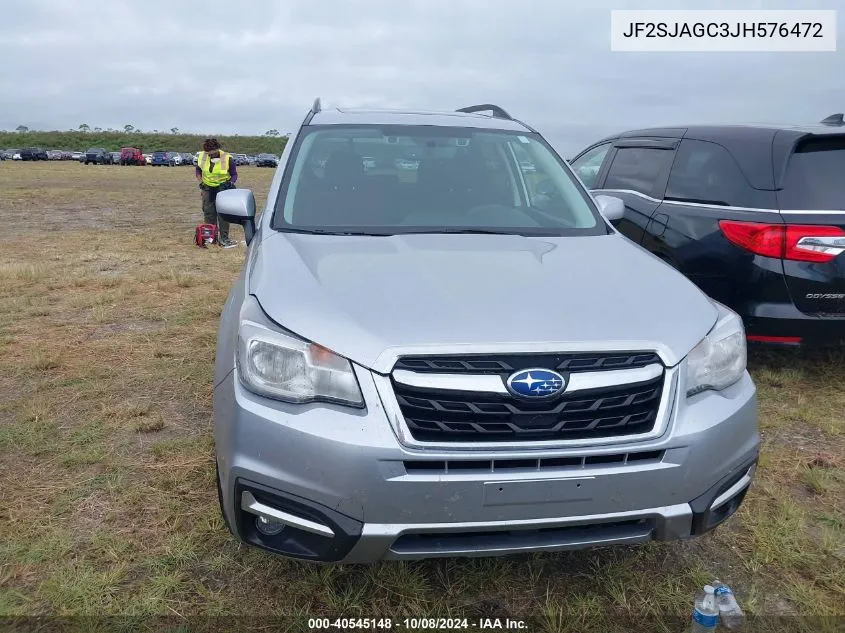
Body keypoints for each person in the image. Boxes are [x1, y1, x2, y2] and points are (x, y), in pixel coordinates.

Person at [195, 138, 238, 248]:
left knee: (223, 215)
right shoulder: (203, 156)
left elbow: (234, 174)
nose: (210, 154)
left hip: (222, 189)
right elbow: (198, 170)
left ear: (217, 149)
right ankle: (210, 238)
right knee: (208, 213)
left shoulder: (227, 159)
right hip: (207, 189)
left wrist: (231, 183)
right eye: (208, 152)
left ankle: (224, 239)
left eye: (212, 152)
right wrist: (201, 182)